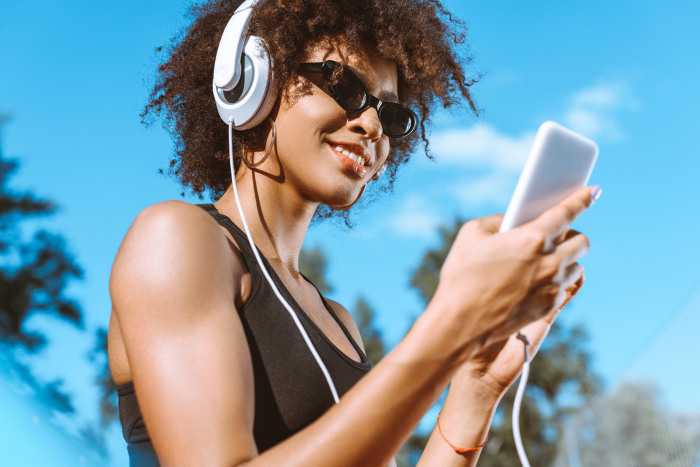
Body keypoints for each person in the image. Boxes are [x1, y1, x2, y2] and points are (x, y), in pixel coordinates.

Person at [107, 0, 598, 465]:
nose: (371, 126)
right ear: (255, 82)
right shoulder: (175, 239)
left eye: (392, 115)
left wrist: (475, 386)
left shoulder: (338, 323)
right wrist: (453, 324)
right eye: (344, 86)